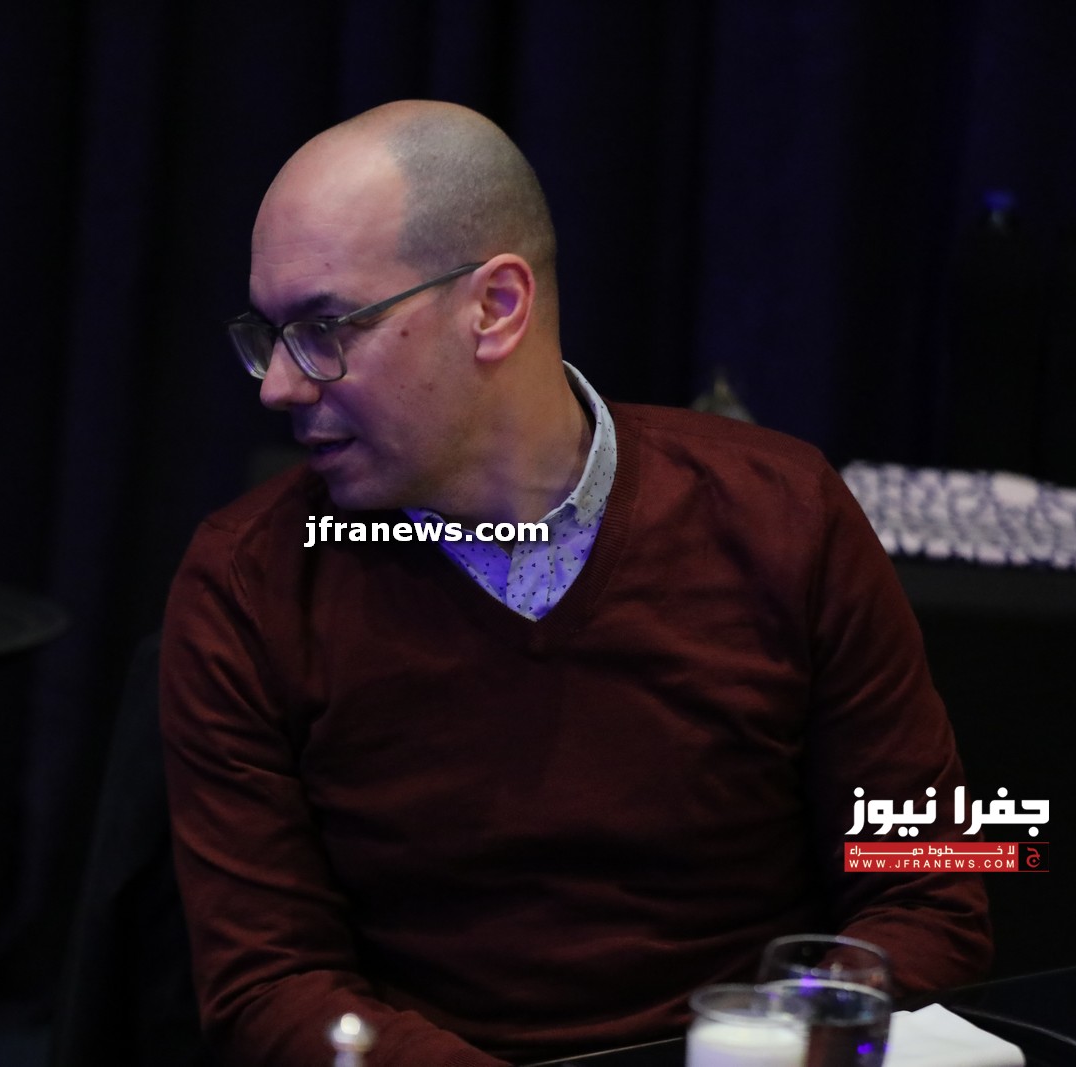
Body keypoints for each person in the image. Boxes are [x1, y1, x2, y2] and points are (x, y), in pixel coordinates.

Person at [158, 100, 991, 1067]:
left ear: (495, 307)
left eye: (323, 328)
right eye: (270, 334)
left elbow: (928, 883)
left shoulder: (783, 513)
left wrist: (772, 1046)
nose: (278, 385)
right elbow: (270, 984)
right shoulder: (248, 583)